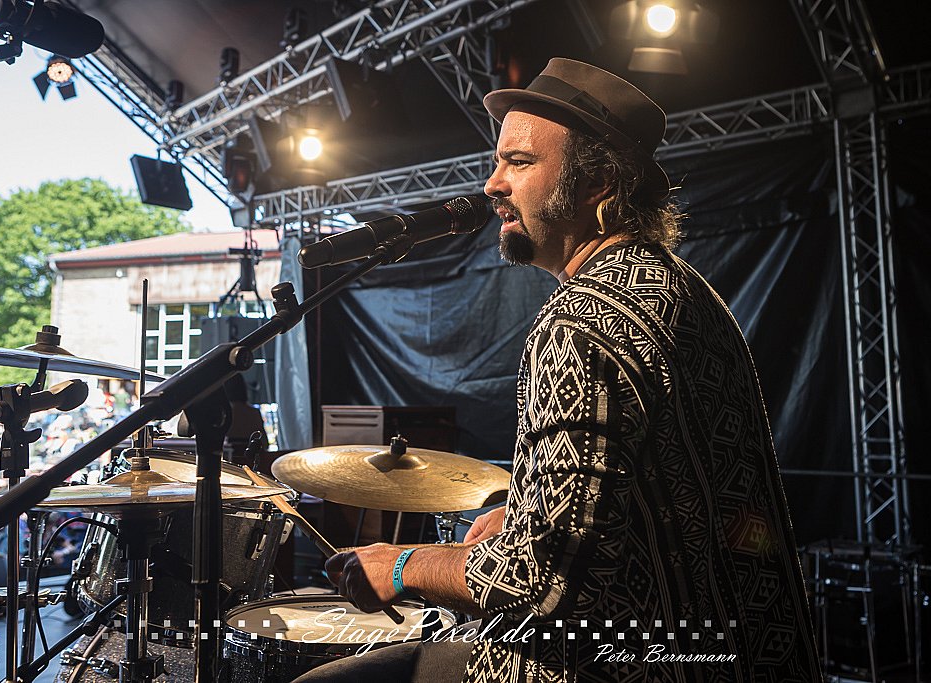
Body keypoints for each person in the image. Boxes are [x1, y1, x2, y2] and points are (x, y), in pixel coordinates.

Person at [296, 58, 821, 682]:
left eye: (518, 163)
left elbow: (542, 580)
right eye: (497, 162)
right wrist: (523, 512)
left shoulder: (580, 324)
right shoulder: (686, 291)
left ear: (598, 182)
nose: (492, 184)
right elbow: (660, 494)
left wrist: (402, 565)